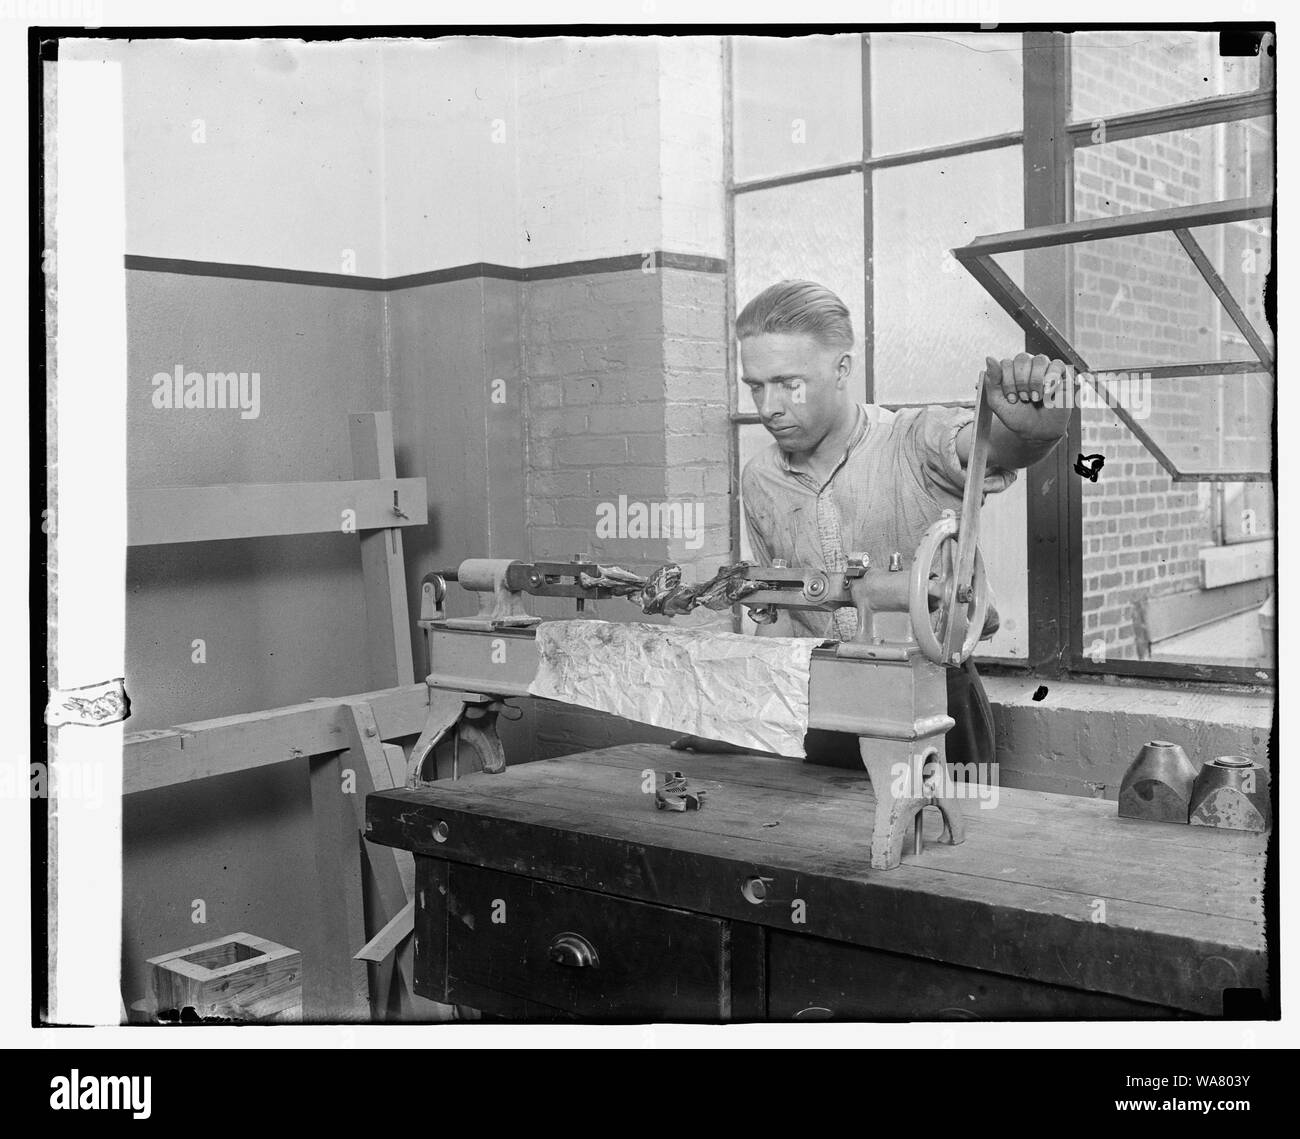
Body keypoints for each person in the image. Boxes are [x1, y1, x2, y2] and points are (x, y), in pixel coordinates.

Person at [678, 279, 1074, 770]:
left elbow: (991, 448)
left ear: (842, 368)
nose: (769, 407)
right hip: (823, 706)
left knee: (949, 839)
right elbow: (778, 614)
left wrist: (1033, 435)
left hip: (936, 703)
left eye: (788, 383)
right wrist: (746, 724)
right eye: (755, 386)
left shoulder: (911, 441)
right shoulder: (760, 479)